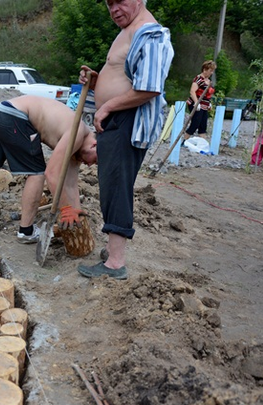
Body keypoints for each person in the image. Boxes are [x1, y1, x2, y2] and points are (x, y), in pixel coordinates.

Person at [77, 0, 174, 280]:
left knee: (117, 184)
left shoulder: (150, 33)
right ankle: (113, 251)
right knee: (111, 183)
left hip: (127, 121)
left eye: (120, 0)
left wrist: (106, 106)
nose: (114, 8)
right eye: (109, 3)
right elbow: (125, 78)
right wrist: (96, 82)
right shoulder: (129, 30)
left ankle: (116, 264)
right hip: (117, 119)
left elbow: (150, 88)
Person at [0, 95, 97, 245]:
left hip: (1, 111)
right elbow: (52, 174)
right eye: (94, 160)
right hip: (16, 116)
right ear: (94, 145)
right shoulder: (77, 134)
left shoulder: (78, 150)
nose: (90, 165)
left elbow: (70, 183)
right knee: (37, 173)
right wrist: (66, 209)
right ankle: (26, 231)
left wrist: (76, 211)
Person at [184, 60, 216, 140]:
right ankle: (184, 140)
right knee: (195, 123)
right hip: (196, 104)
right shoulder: (198, 79)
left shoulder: (208, 81)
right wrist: (196, 102)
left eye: (212, 71)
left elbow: (207, 94)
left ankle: (203, 143)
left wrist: (209, 103)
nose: (211, 73)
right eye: (210, 71)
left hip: (204, 105)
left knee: (203, 124)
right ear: (205, 69)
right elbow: (192, 91)